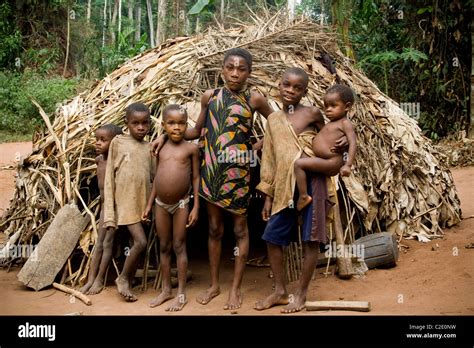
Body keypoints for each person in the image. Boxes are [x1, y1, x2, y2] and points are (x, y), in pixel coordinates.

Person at [151, 47, 273, 310]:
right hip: (210, 173)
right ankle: (215, 285)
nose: (235, 73)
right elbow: (195, 131)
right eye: (230, 67)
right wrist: (164, 136)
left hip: (238, 176)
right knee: (215, 229)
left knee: (240, 230)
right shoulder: (210, 96)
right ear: (222, 70)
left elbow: (278, 125)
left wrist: (256, 147)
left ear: (249, 73)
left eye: (241, 69)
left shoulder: (255, 100)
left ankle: (236, 289)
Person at [254, 67, 347, 313]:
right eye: (286, 85)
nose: (290, 91)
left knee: (311, 239)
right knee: (272, 238)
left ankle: (301, 294)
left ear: (304, 91)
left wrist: (344, 142)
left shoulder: (314, 113)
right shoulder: (273, 120)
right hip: (284, 185)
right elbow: (270, 159)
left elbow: (333, 132)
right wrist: (267, 196)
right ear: (279, 85)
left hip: (312, 181)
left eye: (297, 88)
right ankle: (280, 291)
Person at [142, 104, 200, 311]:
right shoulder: (160, 147)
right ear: (164, 125)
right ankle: (166, 289)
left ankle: (181, 293)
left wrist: (196, 207)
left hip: (182, 204)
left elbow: (195, 177)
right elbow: (157, 178)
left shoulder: (191, 149)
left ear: (187, 125)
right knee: (164, 246)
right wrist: (149, 204)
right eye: (172, 123)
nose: (177, 128)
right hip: (160, 205)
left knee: (179, 245)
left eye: (181, 123)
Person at [103, 102, 154, 302]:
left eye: (145, 123)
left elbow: (152, 177)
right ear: (127, 123)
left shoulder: (150, 146)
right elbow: (109, 179)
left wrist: (149, 208)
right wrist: (109, 215)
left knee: (136, 243)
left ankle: (129, 280)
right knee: (140, 241)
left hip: (142, 205)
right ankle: (122, 278)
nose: (141, 127)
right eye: (136, 123)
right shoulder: (117, 143)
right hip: (124, 203)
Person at [295, 84, 357, 211]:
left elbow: (353, 143)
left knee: (298, 164)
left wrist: (348, 165)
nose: (328, 110)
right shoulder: (333, 122)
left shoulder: (345, 123)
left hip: (331, 162)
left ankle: (303, 196)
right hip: (326, 160)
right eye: (326, 106)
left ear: (347, 107)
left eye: (333, 106)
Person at [79, 124, 122, 295]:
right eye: (97, 139)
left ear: (115, 143)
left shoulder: (118, 162)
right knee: (99, 244)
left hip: (116, 208)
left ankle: (99, 280)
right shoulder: (99, 160)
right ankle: (90, 280)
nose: (98, 143)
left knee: (107, 243)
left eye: (103, 140)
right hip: (105, 206)